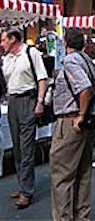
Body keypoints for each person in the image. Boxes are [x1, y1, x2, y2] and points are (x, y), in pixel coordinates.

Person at [50, 28, 95, 220]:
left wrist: (80, 114)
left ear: (65, 43)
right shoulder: (88, 60)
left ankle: (63, 218)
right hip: (85, 123)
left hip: (71, 122)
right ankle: (82, 216)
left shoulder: (71, 61)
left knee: (62, 176)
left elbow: (84, 87)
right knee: (83, 174)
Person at [1, 29, 47, 209]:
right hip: (13, 101)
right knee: (17, 145)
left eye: (4, 40)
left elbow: (42, 78)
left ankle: (26, 191)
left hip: (27, 99)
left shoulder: (31, 52)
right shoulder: (8, 58)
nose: (2, 43)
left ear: (13, 40)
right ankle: (23, 184)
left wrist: (40, 102)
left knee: (27, 145)